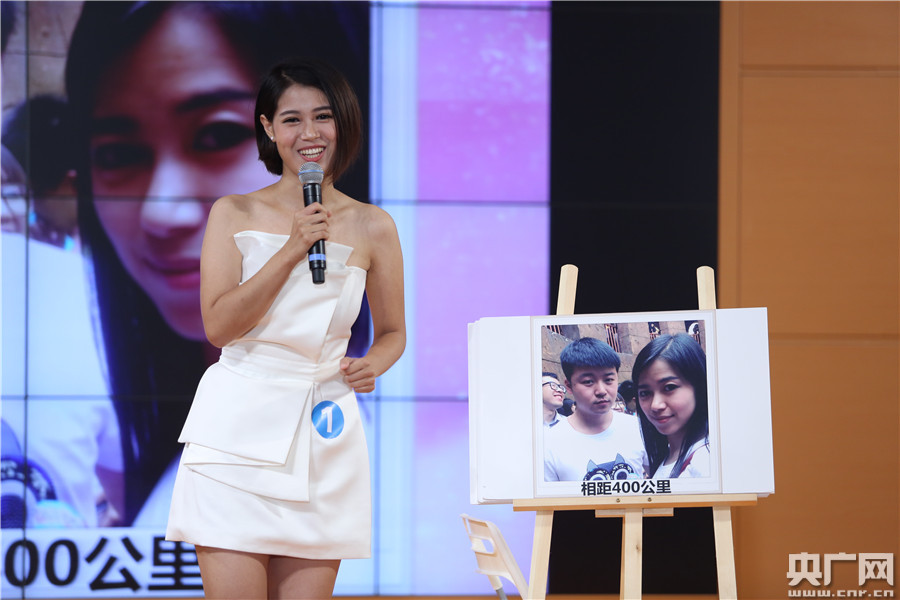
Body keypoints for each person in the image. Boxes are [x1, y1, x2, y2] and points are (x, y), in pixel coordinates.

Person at [62, 0, 370, 526]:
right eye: (119, 154)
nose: (162, 211)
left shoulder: (400, 436)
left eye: (218, 136)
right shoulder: (185, 430)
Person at [164, 57, 405, 599]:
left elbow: (393, 331)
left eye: (323, 117)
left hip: (323, 427)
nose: (309, 133)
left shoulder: (373, 225)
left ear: (342, 123)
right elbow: (218, 326)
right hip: (234, 436)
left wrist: (372, 364)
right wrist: (293, 248)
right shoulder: (233, 212)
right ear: (268, 129)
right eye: (292, 120)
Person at [544, 337, 647, 482]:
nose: (601, 391)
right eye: (588, 382)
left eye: (608, 380)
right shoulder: (549, 443)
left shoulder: (638, 428)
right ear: (569, 386)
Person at [632, 333, 710, 479]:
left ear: (699, 387)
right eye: (645, 393)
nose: (655, 405)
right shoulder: (668, 453)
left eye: (669, 387)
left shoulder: (704, 462)